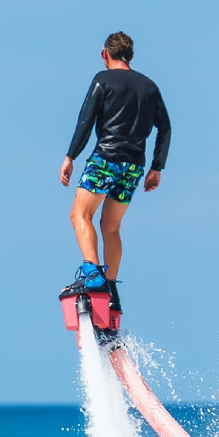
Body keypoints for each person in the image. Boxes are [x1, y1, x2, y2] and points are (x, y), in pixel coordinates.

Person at [58, 32, 171, 321]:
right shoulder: (150, 87)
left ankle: (93, 275)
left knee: (79, 215)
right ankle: (111, 292)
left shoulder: (103, 80)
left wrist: (71, 156)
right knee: (111, 227)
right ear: (130, 56)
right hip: (133, 166)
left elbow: (86, 120)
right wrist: (156, 167)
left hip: (106, 159)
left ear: (104, 54)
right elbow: (166, 127)